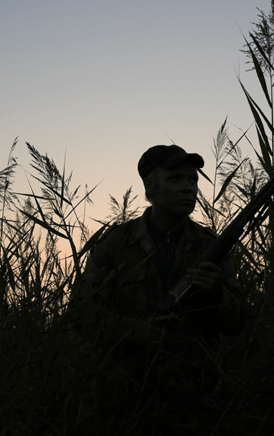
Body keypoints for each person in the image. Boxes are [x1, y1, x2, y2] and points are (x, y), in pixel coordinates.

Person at [74, 145, 247, 435]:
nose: (188, 188)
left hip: (196, 398)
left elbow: (239, 321)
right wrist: (133, 331)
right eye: (175, 179)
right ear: (150, 186)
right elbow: (82, 316)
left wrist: (216, 293)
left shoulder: (211, 246)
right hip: (126, 396)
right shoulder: (115, 243)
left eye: (192, 180)